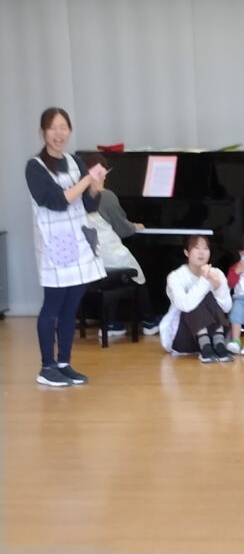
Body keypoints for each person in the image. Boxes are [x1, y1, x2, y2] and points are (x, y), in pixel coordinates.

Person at [25, 107, 106, 386]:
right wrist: (86, 181)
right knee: (53, 306)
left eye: (63, 127)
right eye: (53, 128)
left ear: (69, 131)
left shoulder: (75, 161)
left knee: (71, 307)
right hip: (54, 245)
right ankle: (47, 366)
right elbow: (57, 202)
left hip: (79, 242)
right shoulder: (35, 167)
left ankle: (64, 363)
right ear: (43, 132)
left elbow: (89, 205)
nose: (59, 134)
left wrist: (95, 187)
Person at [81, 153, 159, 336]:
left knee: (117, 277)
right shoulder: (106, 196)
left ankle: (111, 323)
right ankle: (149, 321)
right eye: (102, 172)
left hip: (90, 257)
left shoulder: (77, 196)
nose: (105, 176)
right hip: (108, 252)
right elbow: (122, 229)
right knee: (137, 275)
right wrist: (135, 226)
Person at [159, 235, 233, 362]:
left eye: (206, 248)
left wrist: (218, 287)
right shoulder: (175, 276)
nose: (201, 252)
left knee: (209, 295)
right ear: (186, 252)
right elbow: (185, 306)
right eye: (196, 248)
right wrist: (204, 280)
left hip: (214, 335)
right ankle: (205, 345)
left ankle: (219, 344)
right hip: (183, 337)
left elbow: (227, 307)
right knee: (198, 297)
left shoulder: (216, 273)